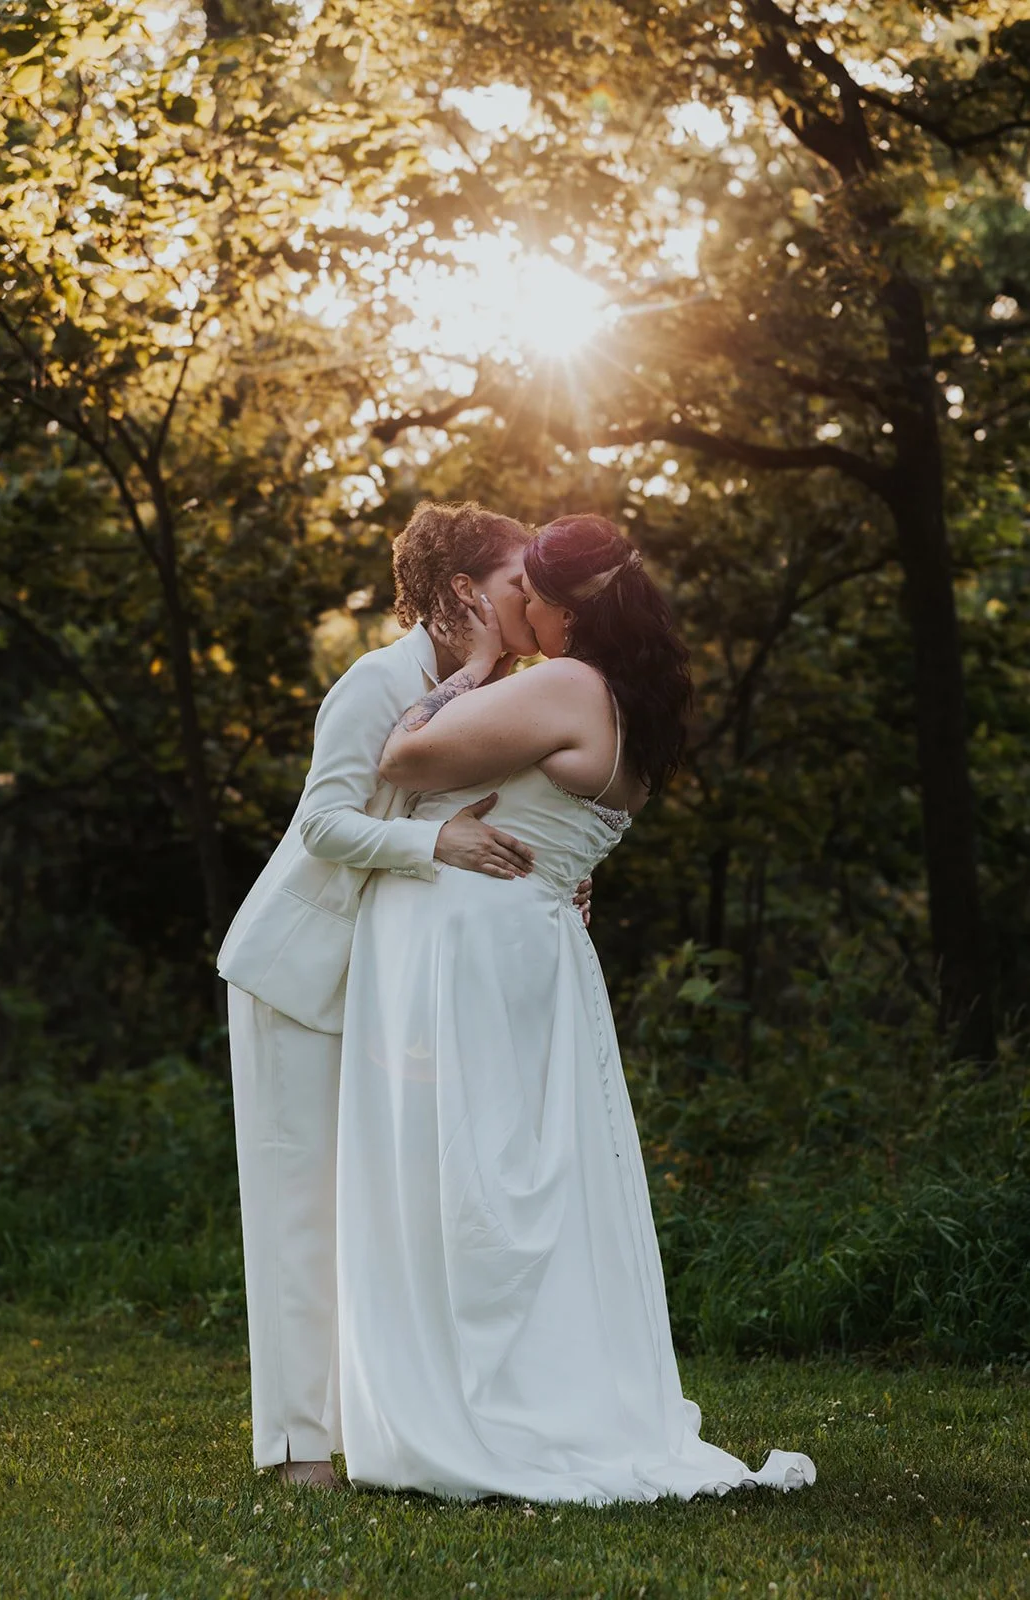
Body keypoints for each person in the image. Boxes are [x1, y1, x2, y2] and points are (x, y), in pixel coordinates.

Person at [335, 513, 817, 1504]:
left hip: (476, 944)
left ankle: (483, 1401)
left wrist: (470, 665)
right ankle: (514, 1385)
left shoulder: (564, 682)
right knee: (520, 1174)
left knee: (472, 1167)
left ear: (564, 609)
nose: (524, 618)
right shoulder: (633, 705)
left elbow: (400, 757)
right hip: (535, 940)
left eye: (533, 603)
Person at [217, 501, 590, 1486]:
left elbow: (503, 807)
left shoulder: (493, 689)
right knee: (300, 1211)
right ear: (466, 589)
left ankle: (395, 1421)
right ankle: (297, 1448)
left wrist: (553, 865)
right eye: (519, 585)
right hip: (297, 972)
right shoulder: (375, 683)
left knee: (387, 1212)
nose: (536, 601)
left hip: (392, 991)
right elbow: (326, 825)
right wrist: (439, 842)